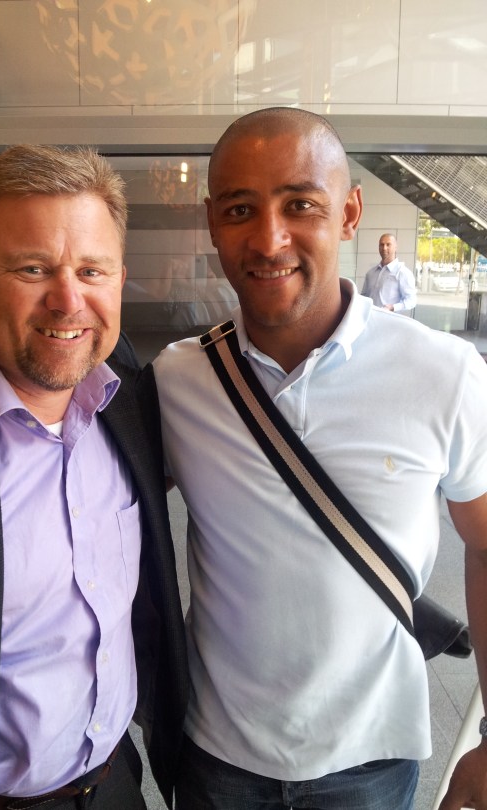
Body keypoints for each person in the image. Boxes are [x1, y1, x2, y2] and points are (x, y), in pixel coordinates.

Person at [153, 107, 487, 810]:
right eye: (240, 209)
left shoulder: (445, 373)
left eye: (300, 204)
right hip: (216, 757)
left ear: (349, 213)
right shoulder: (177, 380)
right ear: (212, 222)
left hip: (371, 758)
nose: (269, 238)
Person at [0, 144, 188, 810]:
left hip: (115, 786)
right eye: (32, 268)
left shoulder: (129, 393)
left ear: (119, 279)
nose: (69, 300)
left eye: (91, 270)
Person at [362, 232, 417, 311]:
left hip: (388, 318)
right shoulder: (370, 273)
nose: (384, 248)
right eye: (381, 245)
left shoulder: (403, 273)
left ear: (395, 247)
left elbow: (412, 300)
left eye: (388, 244)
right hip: (368, 317)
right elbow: (364, 297)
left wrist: (393, 307)